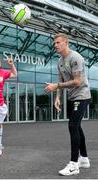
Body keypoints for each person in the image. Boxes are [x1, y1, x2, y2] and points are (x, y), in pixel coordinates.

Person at [44, 33, 91, 176]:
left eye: (58, 43)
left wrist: (56, 85)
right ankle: (84, 158)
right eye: (54, 44)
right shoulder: (59, 61)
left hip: (82, 95)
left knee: (72, 126)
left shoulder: (75, 57)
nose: (55, 45)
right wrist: (57, 97)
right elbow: (61, 80)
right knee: (77, 126)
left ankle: (74, 165)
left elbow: (78, 81)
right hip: (72, 97)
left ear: (66, 43)